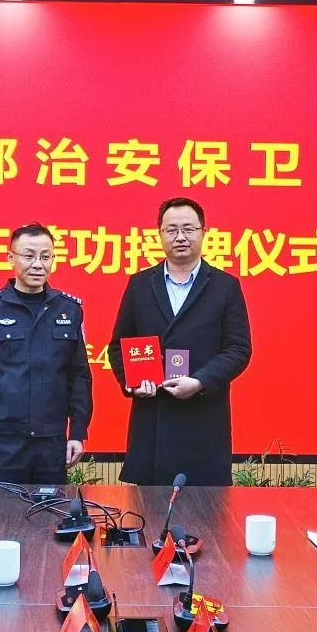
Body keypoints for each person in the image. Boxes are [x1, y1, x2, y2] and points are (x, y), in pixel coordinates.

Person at [108, 198, 252, 486]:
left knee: (205, 510)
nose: (180, 237)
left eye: (188, 229)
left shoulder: (225, 286)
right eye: (172, 230)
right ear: (160, 234)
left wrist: (200, 382)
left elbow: (238, 349)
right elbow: (118, 347)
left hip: (203, 422)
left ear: (203, 232)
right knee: (148, 510)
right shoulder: (140, 285)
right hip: (153, 423)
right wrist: (133, 383)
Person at [0, 222, 93, 484]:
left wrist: (77, 432)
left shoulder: (69, 309)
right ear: (11, 258)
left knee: (51, 509)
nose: (38, 265)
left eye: (46, 257)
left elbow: (79, 377)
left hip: (51, 441)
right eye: (29, 256)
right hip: (3, 441)